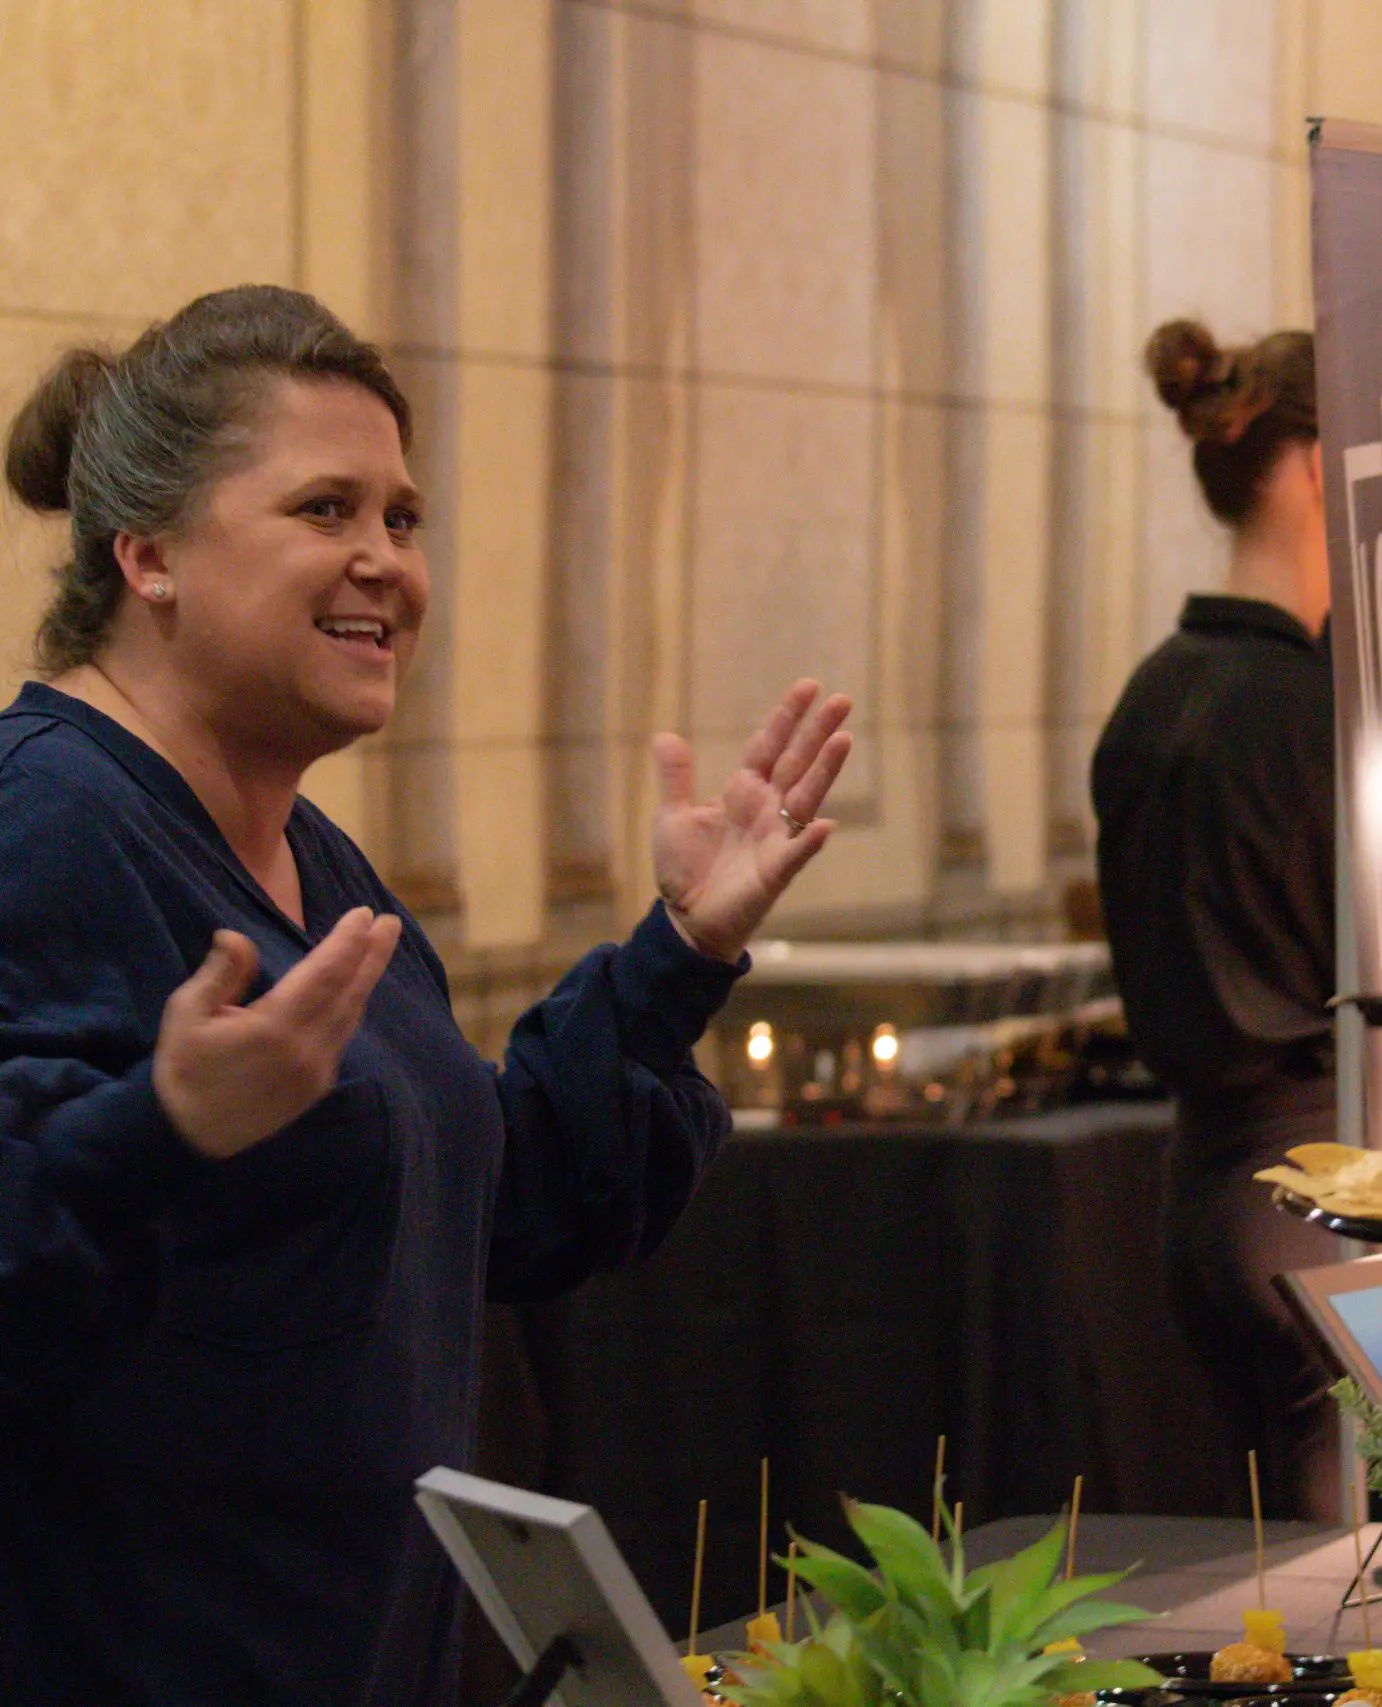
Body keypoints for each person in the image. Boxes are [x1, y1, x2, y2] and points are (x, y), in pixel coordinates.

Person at [0, 287, 852, 1704]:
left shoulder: (313, 856)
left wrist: (675, 956)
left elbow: (479, 1209)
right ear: (147, 555)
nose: (384, 561)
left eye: (402, 518)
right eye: (325, 509)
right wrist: (159, 1125)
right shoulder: (47, 829)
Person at [1090, 319, 1341, 1518]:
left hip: (1195, 1197)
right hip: (1308, 1188)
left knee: (1263, 1570)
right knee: (1345, 1594)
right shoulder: (1307, 707)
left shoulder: (1154, 690)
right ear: (1305, 467)